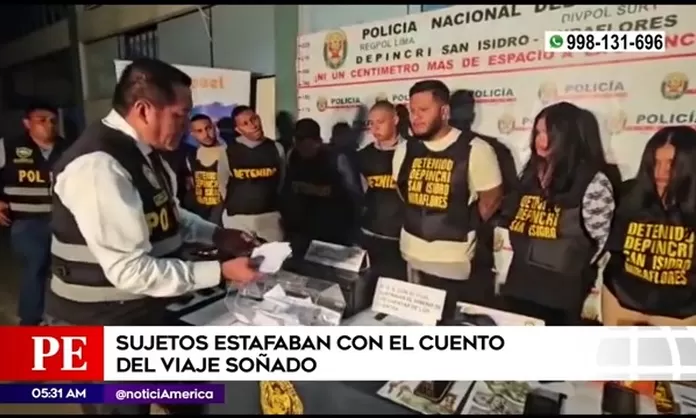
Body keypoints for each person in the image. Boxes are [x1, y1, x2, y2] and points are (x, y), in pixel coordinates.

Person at [45, 58, 260, 415]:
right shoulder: (99, 167)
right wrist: (222, 272)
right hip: (100, 326)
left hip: (142, 312)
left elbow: (171, 213)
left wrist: (219, 234)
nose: (188, 127)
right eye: (180, 115)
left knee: (193, 397)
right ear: (144, 110)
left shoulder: (145, 153)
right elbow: (129, 271)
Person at [393, 80, 504, 319]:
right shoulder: (404, 149)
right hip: (411, 256)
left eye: (424, 110)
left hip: (453, 264)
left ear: (444, 112)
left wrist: (457, 223)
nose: (416, 117)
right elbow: (403, 192)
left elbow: (491, 199)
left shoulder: (477, 149)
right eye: (413, 111)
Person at [499, 101, 616, 325]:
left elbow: (599, 241)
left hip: (561, 293)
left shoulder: (594, 181)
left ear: (567, 136)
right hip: (519, 283)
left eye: (548, 133)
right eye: (538, 133)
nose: (540, 140)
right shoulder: (530, 174)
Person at [601, 126, 696, 326]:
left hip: (680, 311)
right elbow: (614, 249)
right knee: (618, 356)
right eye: (656, 162)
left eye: (672, 164)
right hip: (621, 300)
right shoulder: (630, 194)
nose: (661, 172)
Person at [0, 103, 70, 325]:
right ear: (27, 123)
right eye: (41, 120)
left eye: (52, 121)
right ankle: (30, 320)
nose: (48, 125)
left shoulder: (68, 149)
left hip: (62, 221)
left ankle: (58, 317)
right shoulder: (8, 147)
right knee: (37, 262)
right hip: (26, 222)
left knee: (64, 269)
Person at [282, 118, 363, 249]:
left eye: (305, 142)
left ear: (317, 142)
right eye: (298, 141)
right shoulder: (293, 156)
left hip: (334, 231)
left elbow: (354, 194)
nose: (301, 147)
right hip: (303, 231)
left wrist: (320, 191)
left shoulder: (336, 158)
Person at [218, 105, 285, 242]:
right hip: (238, 219)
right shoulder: (228, 151)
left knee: (274, 258)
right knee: (241, 260)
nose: (253, 125)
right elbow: (222, 183)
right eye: (245, 123)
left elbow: (282, 180)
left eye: (254, 119)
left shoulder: (276, 148)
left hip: (269, 217)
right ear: (238, 129)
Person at [357, 101, 407, 280]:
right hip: (370, 234)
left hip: (401, 239)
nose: (375, 128)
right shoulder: (363, 156)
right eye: (371, 123)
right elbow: (360, 193)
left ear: (395, 120)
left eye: (380, 122)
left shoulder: (412, 152)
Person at [184, 113, 225, 223]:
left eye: (208, 128)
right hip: (200, 216)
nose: (206, 134)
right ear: (193, 134)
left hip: (222, 215)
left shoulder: (229, 152)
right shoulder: (191, 156)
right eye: (199, 131)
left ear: (214, 127)